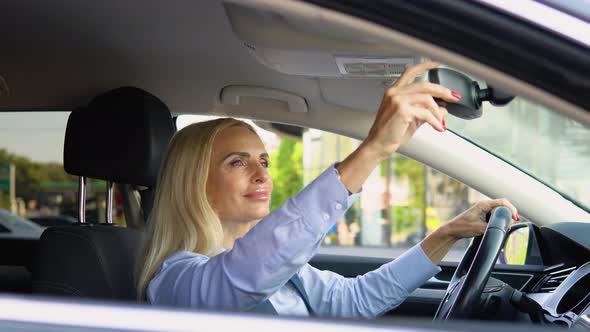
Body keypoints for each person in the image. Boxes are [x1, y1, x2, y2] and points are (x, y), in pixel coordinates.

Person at [136, 62, 519, 318]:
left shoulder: (280, 268)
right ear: (193, 182)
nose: (261, 175)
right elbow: (246, 274)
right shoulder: (174, 283)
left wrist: (446, 234)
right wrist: (372, 150)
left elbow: (356, 299)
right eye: (238, 162)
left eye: (263, 162)